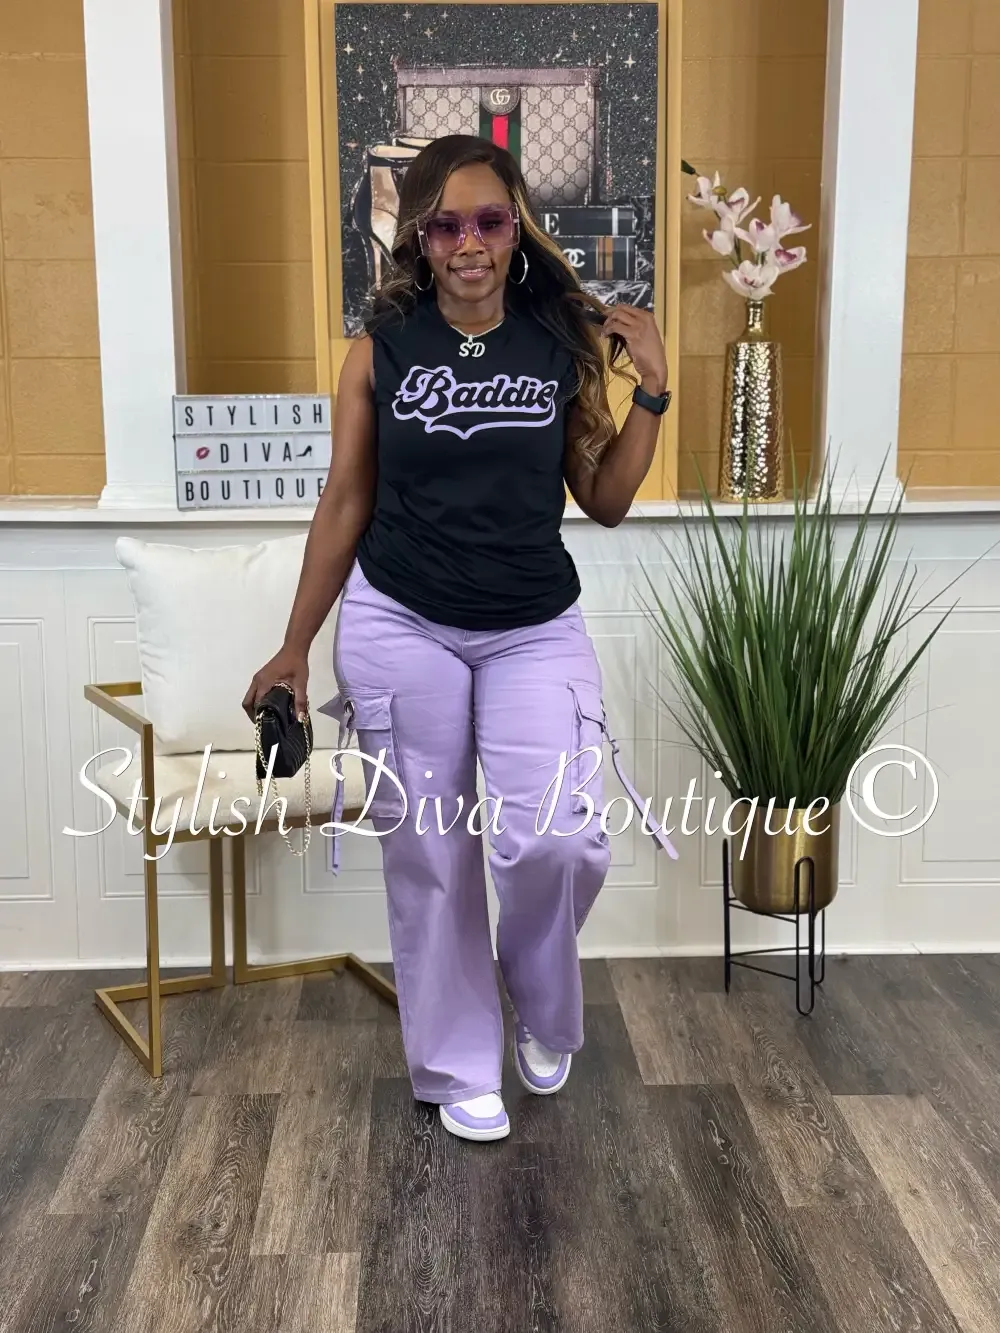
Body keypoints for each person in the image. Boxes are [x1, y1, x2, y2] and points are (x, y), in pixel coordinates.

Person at [243, 134, 672, 1143]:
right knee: (431, 851)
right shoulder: (378, 351)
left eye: (489, 221)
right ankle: (456, 1063)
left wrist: (652, 391)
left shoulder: (558, 343)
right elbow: (345, 501)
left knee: (556, 837)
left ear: (517, 228)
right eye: (446, 225)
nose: (469, 242)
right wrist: (294, 645)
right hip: (401, 619)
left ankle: (541, 1004)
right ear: (419, 238)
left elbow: (605, 499)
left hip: (533, 626)